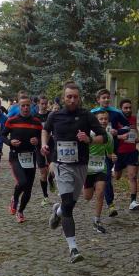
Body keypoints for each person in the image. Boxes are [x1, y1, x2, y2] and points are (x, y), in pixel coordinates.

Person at [42, 81, 106, 263]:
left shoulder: (87, 116)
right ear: (63, 98)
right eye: (69, 97)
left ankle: (58, 211)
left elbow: (103, 137)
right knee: (68, 204)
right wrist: (44, 144)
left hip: (81, 166)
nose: (72, 100)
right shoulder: (55, 115)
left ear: (79, 98)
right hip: (61, 165)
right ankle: (73, 249)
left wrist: (89, 139)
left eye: (75, 97)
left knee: (69, 205)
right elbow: (45, 130)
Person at [3, 94, 43, 222]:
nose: (25, 108)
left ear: (31, 106)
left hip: (30, 156)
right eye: (23, 105)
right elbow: (2, 136)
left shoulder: (36, 122)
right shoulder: (11, 121)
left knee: (28, 189)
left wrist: (38, 141)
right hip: (16, 156)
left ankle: (20, 211)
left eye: (27, 105)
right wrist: (10, 142)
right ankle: (14, 199)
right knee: (22, 182)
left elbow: (43, 138)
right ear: (19, 106)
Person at [90, 89, 130, 216]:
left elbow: (127, 126)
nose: (106, 99)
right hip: (95, 150)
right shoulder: (92, 113)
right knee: (98, 177)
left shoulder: (117, 112)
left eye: (108, 97)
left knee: (106, 176)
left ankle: (110, 203)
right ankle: (96, 190)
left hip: (110, 149)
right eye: (103, 97)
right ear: (98, 100)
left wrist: (117, 132)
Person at [84, 110, 116, 234]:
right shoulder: (89, 135)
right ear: (96, 121)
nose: (103, 121)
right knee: (87, 197)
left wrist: (112, 156)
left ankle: (97, 220)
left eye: (105, 119)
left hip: (101, 168)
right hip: (87, 170)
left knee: (101, 192)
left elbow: (109, 153)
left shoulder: (109, 137)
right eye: (101, 119)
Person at [112, 98, 139, 211]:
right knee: (117, 177)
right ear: (121, 109)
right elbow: (111, 135)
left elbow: (135, 129)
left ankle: (133, 201)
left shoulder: (133, 118)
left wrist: (137, 138)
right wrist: (121, 137)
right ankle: (113, 170)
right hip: (119, 152)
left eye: (130, 108)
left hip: (131, 152)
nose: (128, 110)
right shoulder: (116, 119)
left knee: (133, 176)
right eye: (125, 108)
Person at [34, 95, 55, 206]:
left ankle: (51, 179)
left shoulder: (51, 115)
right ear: (38, 104)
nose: (44, 105)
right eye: (42, 103)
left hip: (51, 145)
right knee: (43, 173)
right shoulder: (34, 117)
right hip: (39, 146)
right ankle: (45, 196)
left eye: (46, 103)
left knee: (53, 170)